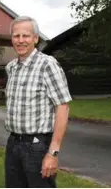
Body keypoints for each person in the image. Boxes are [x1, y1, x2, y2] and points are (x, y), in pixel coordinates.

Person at [4, 15, 72, 188]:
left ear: (35, 38)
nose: (20, 40)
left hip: (37, 147)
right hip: (13, 144)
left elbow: (62, 107)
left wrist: (53, 153)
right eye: (16, 36)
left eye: (25, 36)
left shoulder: (48, 65)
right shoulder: (11, 68)